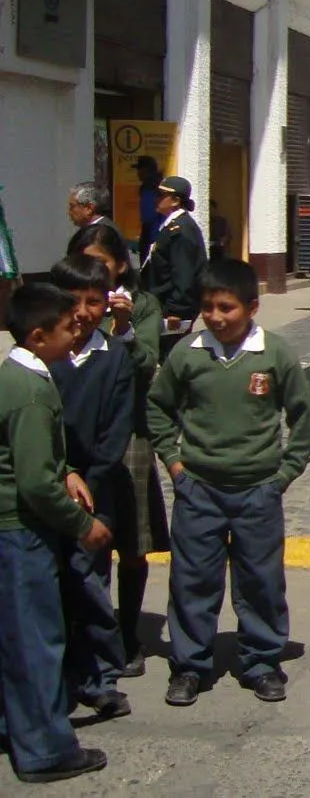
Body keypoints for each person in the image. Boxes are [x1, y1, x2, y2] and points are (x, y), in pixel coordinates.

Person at [149, 259, 310, 708]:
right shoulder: (187, 354)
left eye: (227, 308)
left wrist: (285, 472)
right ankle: (189, 665)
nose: (217, 317)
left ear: (252, 307)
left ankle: (261, 662)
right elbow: (158, 409)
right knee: (192, 581)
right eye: (209, 308)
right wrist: (175, 463)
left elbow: (302, 416)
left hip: (259, 489)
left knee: (260, 581)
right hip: (198, 489)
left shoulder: (275, 354)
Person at [0, 282, 114, 784]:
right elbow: (33, 481)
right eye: (68, 328)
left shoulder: (22, 376)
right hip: (21, 532)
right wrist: (82, 525)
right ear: (39, 334)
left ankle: (19, 727)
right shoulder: (29, 392)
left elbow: (41, 457)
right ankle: (44, 749)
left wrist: (65, 466)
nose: (77, 333)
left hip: (18, 530)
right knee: (35, 641)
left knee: (18, 639)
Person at [67, 222, 168, 673]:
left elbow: (146, 362)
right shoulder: (66, 304)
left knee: (132, 537)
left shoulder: (141, 305)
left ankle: (128, 635)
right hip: (78, 434)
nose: (93, 277)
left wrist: (124, 327)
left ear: (120, 267)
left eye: (101, 267)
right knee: (84, 539)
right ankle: (87, 634)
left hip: (130, 430)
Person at [47, 256, 134, 720]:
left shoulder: (113, 356)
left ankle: (101, 678)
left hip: (96, 493)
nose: (82, 311)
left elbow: (115, 433)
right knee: (52, 589)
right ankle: (55, 679)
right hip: (46, 488)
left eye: (93, 301)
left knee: (92, 585)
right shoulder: (42, 356)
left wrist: (89, 488)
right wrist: (57, 476)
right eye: (72, 301)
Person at [143, 175, 206, 359]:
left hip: (173, 309)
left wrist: (176, 310)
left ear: (176, 201)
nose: (156, 199)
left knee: (171, 356)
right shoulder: (171, 226)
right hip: (163, 302)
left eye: (161, 195)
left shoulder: (181, 230)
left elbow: (183, 273)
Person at [134, 156, 162, 256]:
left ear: (145, 170)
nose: (137, 173)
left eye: (139, 169)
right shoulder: (160, 185)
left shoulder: (149, 187)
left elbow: (148, 216)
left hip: (152, 235)